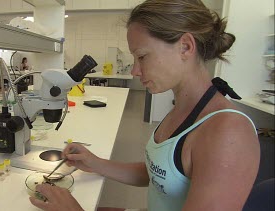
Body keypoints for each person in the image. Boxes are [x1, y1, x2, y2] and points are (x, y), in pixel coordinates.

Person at [29, 0, 260, 210]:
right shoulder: (183, 108)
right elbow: (158, 174)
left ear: (186, 47)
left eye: (142, 56)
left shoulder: (228, 133)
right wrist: (96, 163)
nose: (135, 71)